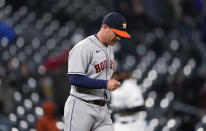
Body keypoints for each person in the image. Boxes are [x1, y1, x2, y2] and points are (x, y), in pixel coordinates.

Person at [64, 12, 131, 131]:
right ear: (105, 27)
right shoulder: (83, 47)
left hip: (103, 108)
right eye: (116, 33)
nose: (119, 37)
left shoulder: (110, 49)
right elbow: (74, 79)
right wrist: (105, 84)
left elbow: (100, 75)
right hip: (82, 106)